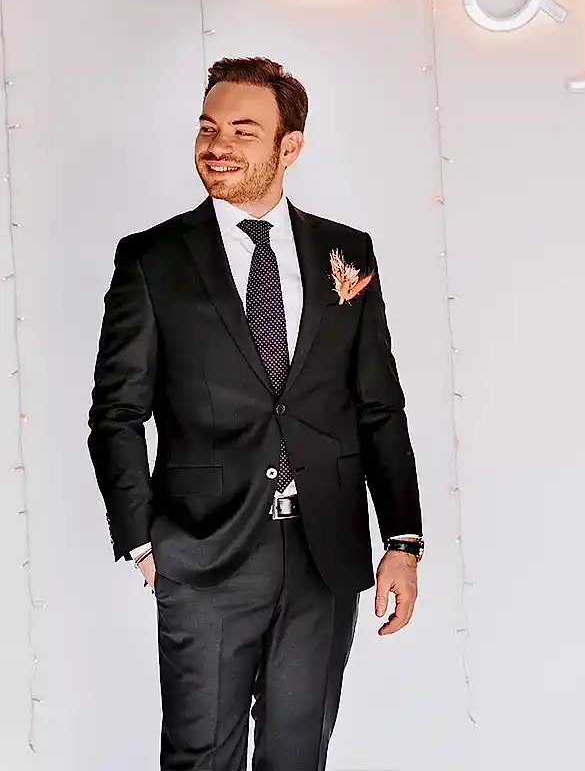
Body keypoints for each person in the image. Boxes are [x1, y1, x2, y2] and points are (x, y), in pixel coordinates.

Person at [88, 56, 423, 771]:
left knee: (298, 756)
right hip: (203, 552)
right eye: (208, 127)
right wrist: (142, 540)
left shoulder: (346, 252)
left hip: (323, 553)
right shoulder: (152, 258)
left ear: (289, 147)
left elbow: (378, 406)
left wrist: (402, 539)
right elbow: (116, 411)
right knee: (201, 758)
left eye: (244, 131)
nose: (218, 146)